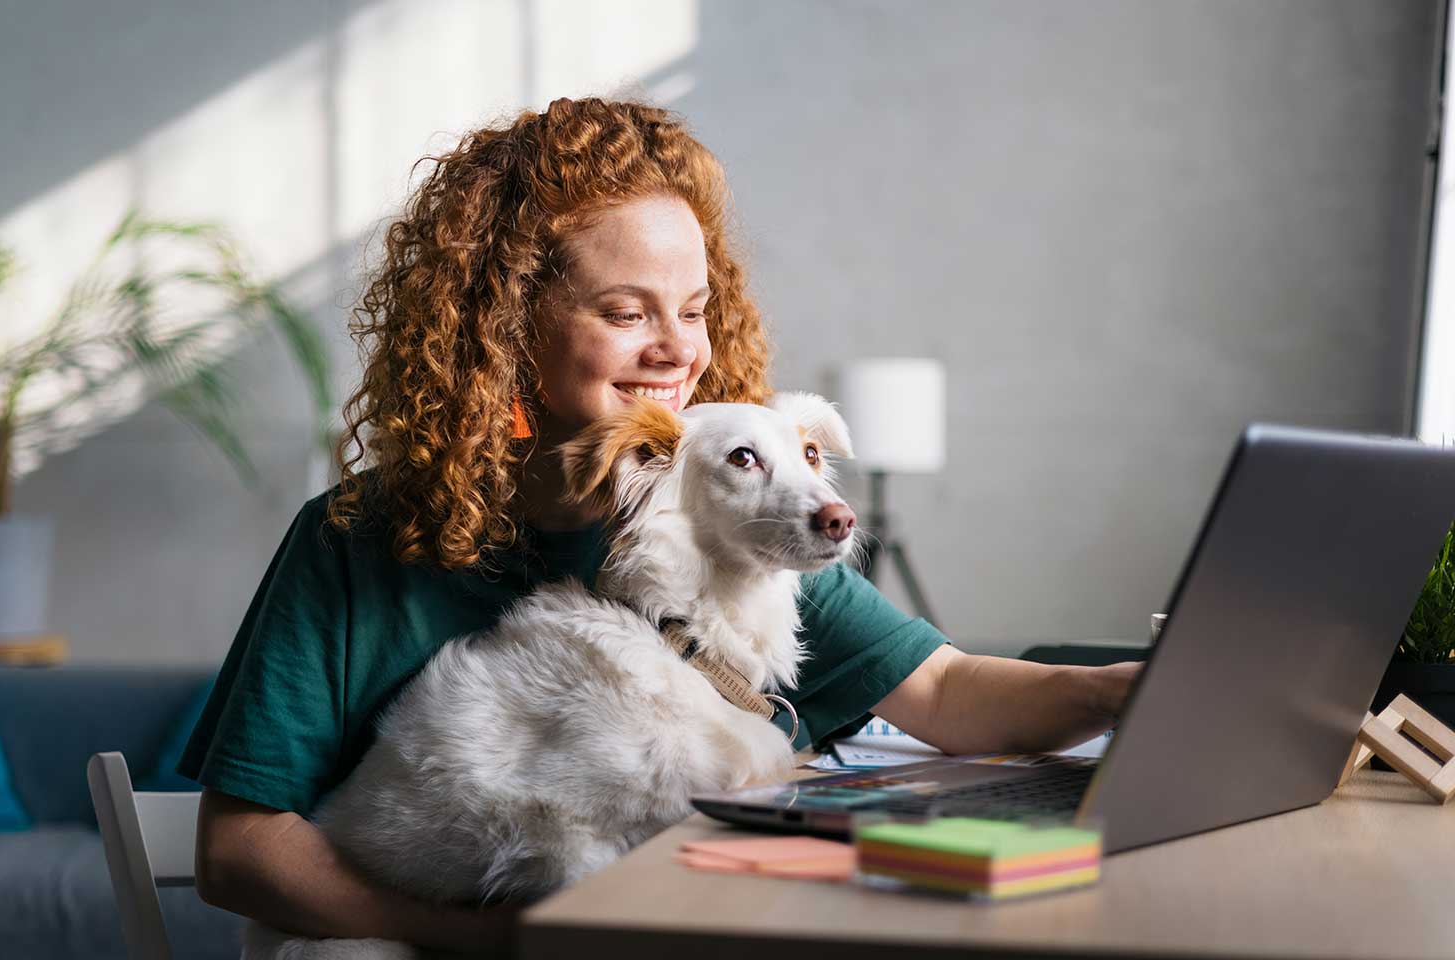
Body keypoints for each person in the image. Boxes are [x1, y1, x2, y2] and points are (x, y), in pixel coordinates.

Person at [180, 97, 1141, 955]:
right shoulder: (355, 536)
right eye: (626, 311)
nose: (678, 349)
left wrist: (1120, 691)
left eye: (692, 308)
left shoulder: (725, 515)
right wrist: (493, 937)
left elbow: (948, 692)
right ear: (507, 326)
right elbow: (238, 850)